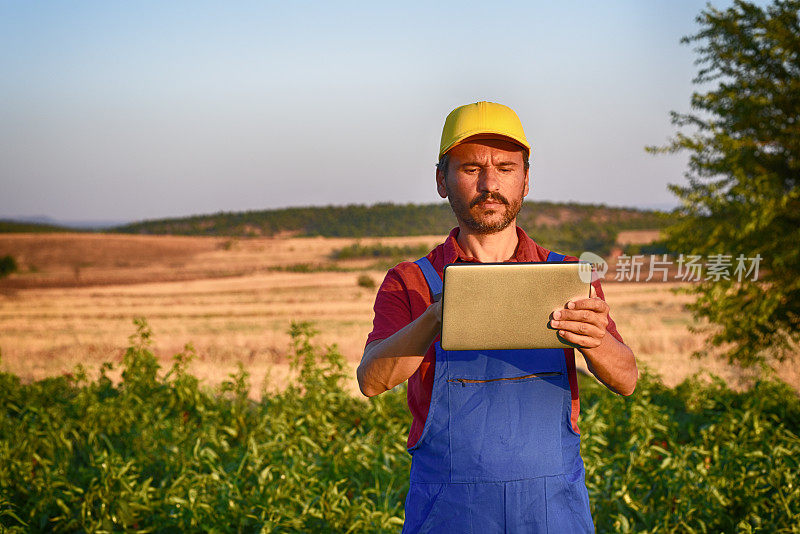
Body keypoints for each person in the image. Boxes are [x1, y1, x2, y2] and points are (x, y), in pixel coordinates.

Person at [357, 101, 638, 533]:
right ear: (441, 180)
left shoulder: (568, 276)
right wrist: (436, 317)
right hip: (448, 513)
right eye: (471, 169)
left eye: (506, 168)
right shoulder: (410, 281)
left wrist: (594, 339)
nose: (490, 183)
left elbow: (626, 379)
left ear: (526, 181)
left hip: (551, 512)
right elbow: (371, 381)